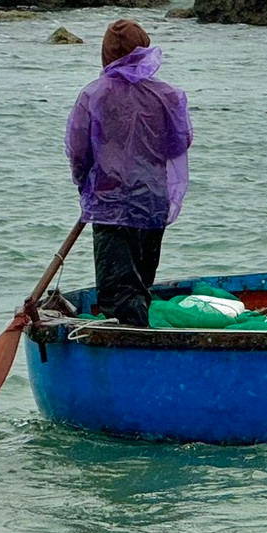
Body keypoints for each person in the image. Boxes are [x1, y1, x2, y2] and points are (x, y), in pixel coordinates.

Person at [65, 19, 194, 326]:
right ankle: (140, 341)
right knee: (140, 284)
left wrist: (87, 189)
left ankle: (129, 348)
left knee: (118, 294)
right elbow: (179, 143)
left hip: (111, 206)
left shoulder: (94, 96)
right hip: (152, 202)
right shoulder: (168, 96)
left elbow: (78, 152)